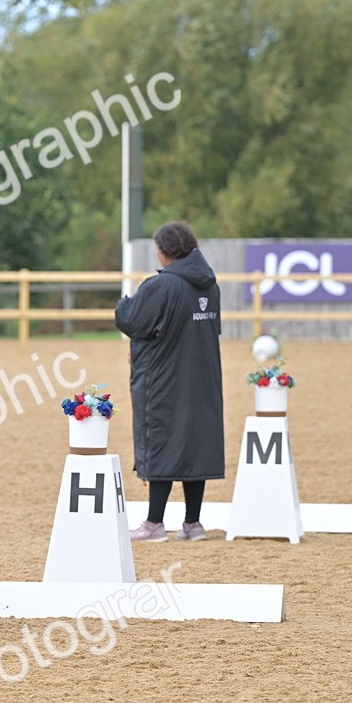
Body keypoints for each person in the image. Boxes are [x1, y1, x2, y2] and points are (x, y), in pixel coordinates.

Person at [115, 221, 224, 542]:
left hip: (165, 378)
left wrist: (123, 304)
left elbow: (133, 321)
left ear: (164, 252)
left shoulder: (160, 286)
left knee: (161, 436)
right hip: (203, 376)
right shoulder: (209, 285)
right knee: (196, 441)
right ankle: (193, 523)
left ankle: (153, 523)